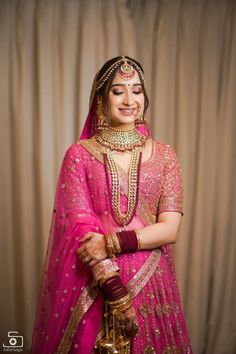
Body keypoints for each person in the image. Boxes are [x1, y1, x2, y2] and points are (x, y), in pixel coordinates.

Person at [31, 56, 193, 354]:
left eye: (137, 90)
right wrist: (115, 291)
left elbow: (170, 229)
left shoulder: (165, 155)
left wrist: (110, 241)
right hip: (97, 284)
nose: (130, 99)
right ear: (101, 99)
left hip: (153, 282)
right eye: (119, 91)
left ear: (145, 97)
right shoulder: (79, 155)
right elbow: (80, 229)